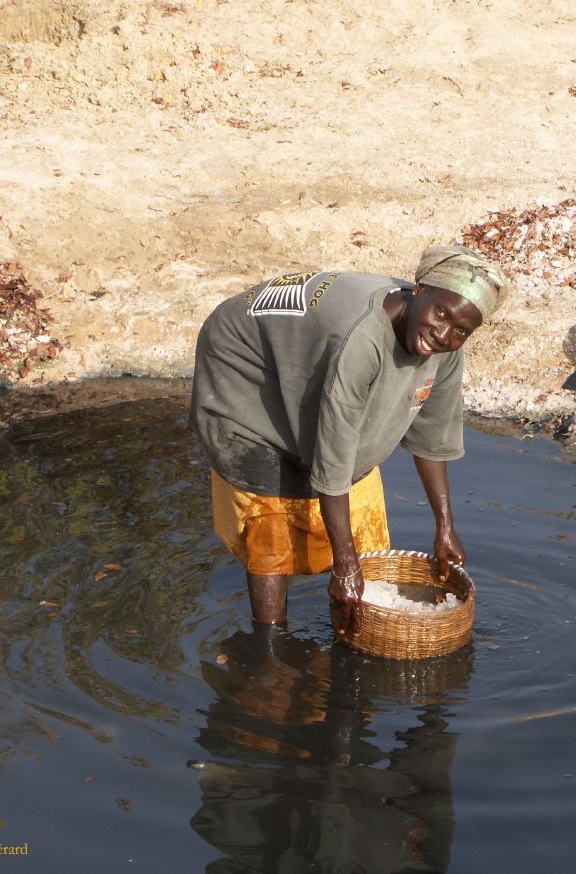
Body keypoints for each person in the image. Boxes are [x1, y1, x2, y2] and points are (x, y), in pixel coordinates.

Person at [189, 245, 507, 633]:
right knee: (269, 504)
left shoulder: (444, 346)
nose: (443, 334)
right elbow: (335, 452)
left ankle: (358, 610)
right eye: (440, 314)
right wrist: (345, 566)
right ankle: (270, 646)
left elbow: (431, 435)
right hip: (245, 361)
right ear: (419, 288)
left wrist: (444, 526)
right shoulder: (361, 337)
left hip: (310, 351)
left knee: (354, 481)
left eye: (461, 330)